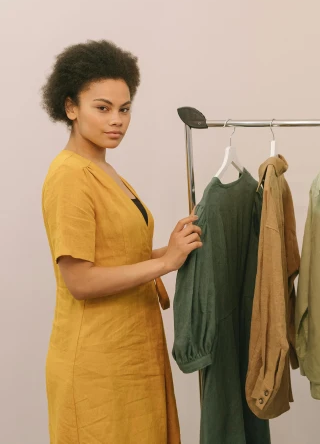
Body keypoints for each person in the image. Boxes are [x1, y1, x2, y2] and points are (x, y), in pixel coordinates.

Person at [40, 40, 201, 443]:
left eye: (124, 108)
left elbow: (119, 257)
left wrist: (176, 248)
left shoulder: (105, 171)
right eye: (102, 107)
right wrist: (165, 264)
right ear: (70, 108)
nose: (117, 120)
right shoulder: (70, 176)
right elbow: (81, 281)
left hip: (133, 353)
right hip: (97, 363)